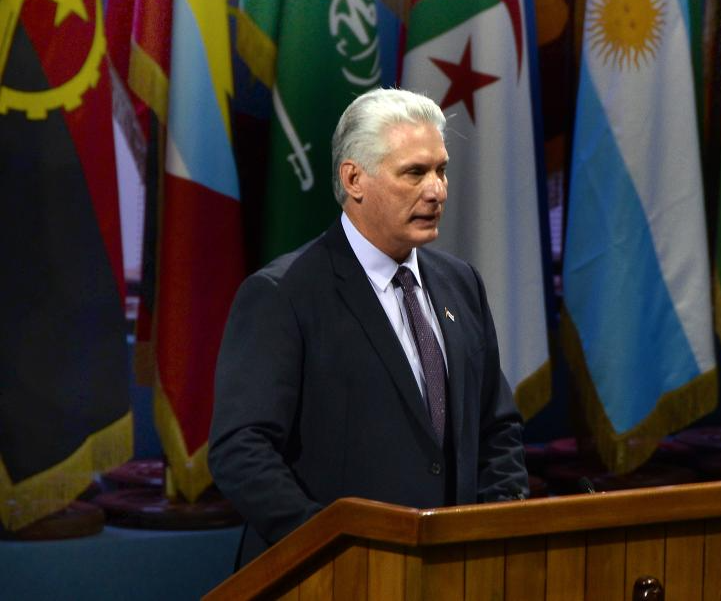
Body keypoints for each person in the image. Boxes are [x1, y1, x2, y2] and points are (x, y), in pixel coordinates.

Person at [209, 88, 528, 567]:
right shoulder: (284, 294)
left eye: (441, 170)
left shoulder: (461, 284)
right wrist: (333, 549)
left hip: (452, 572)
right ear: (354, 179)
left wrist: (493, 533)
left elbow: (496, 427)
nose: (437, 191)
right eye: (415, 173)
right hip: (331, 575)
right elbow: (241, 450)